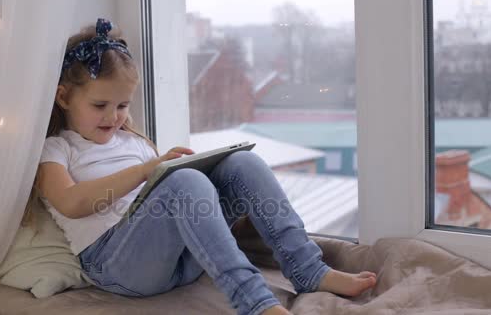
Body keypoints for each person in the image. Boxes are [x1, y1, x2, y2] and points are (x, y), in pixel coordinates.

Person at [32, 18, 377, 315]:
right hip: (116, 265)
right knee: (182, 183)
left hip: (178, 260)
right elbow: (71, 203)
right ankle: (254, 302)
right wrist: (148, 171)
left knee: (242, 163)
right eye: (99, 104)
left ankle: (308, 268)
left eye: (122, 104)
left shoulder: (133, 142)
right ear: (64, 98)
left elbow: (160, 201)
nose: (114, 116)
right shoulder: (56, 148)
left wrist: (183, 170)